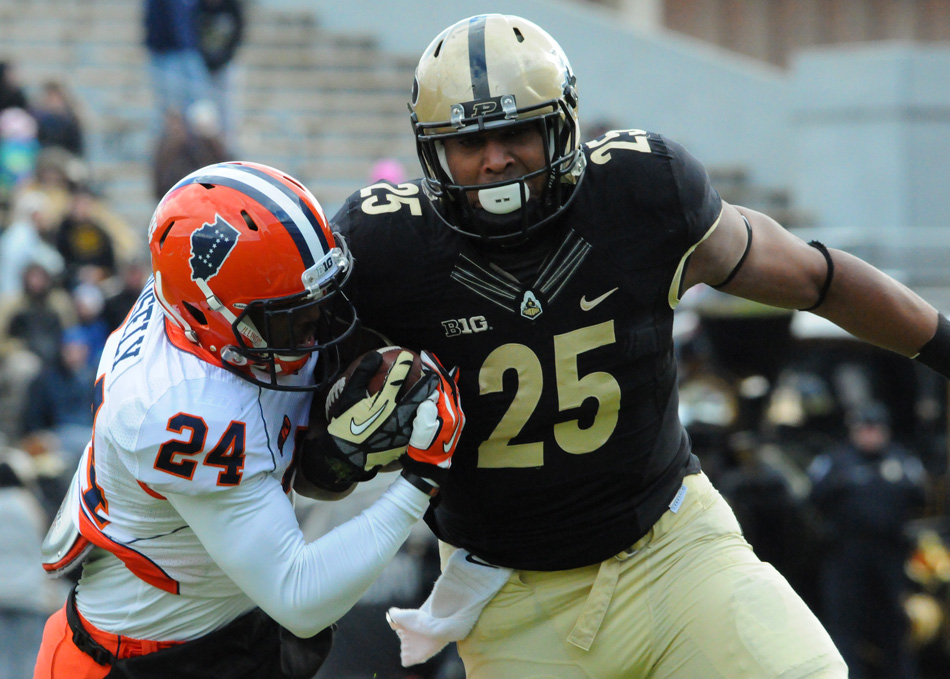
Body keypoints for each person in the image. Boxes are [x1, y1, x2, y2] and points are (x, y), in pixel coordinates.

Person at [328, 14, 950, 679]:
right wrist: (345, 446)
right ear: (433, 152)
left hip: (672, 548)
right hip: (512, 596)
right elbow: (313, 461)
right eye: (470, 141)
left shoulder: (637, 192)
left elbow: (813, 277)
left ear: (560, 126)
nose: (495, 159)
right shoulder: (385, 249)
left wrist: (943, 343)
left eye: (515, 131)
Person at [32, 160, 464, 679]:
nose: (313, 330)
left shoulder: (199, 306)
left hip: (227, 629)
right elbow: (300, 598)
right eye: (289, 317)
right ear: (213, 316)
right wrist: (423, 477)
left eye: (316, 302)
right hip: (138, 662)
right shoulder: (181, 413)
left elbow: (298, 469)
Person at [808, 402, 928, 679]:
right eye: (864, 428)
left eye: (876, 429)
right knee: (845, 623)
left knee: (895, 622)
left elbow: (921, 495)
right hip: (846, 553)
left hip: (890, 553)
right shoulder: (834, 460)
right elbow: (814, 497)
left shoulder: (902, 460)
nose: (870, 435)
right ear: (853, 431)